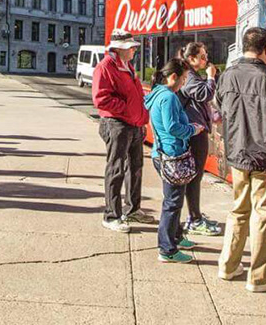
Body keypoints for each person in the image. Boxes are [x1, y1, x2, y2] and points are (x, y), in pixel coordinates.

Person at [216, 27, 266, 292]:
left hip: (237, 155)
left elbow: (220, 109)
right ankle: (259, 276)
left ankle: (228, 265)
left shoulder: (226, 77)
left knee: (238, 210)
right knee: (263, 214)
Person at [92, 28, 154, 232]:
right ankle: (111, 215)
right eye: (131, 47)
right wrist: (128, 110)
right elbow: (101, 99)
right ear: (118, 49)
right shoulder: (105, 67)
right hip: (116, 124)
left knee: (135, 168)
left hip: (133, 124)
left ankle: (133, 209)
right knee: (116, 169)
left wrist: (140, 119)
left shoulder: (126, 66)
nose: (134, 50)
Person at [145, 58, 205, 263]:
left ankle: (176, 237)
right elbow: (172, 127)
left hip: (164, 153)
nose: (184, 83)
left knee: (174, 200)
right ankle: (167, 248)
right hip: (173, 155)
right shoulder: (169, 98)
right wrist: (192, 130)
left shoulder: (157, 94)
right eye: (184, 79)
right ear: (173, 77)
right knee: (172, 203)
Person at [178, 42, 222, 237]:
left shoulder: (192, 76)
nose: (206, 59)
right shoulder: (189, 78)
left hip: (197, 130)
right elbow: (206, 94)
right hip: (194, 134)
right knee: (194, 177)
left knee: (195, 176)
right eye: (202, 56)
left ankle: (195, 215)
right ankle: (194, 219)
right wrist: (211, 77)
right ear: (191, 58)